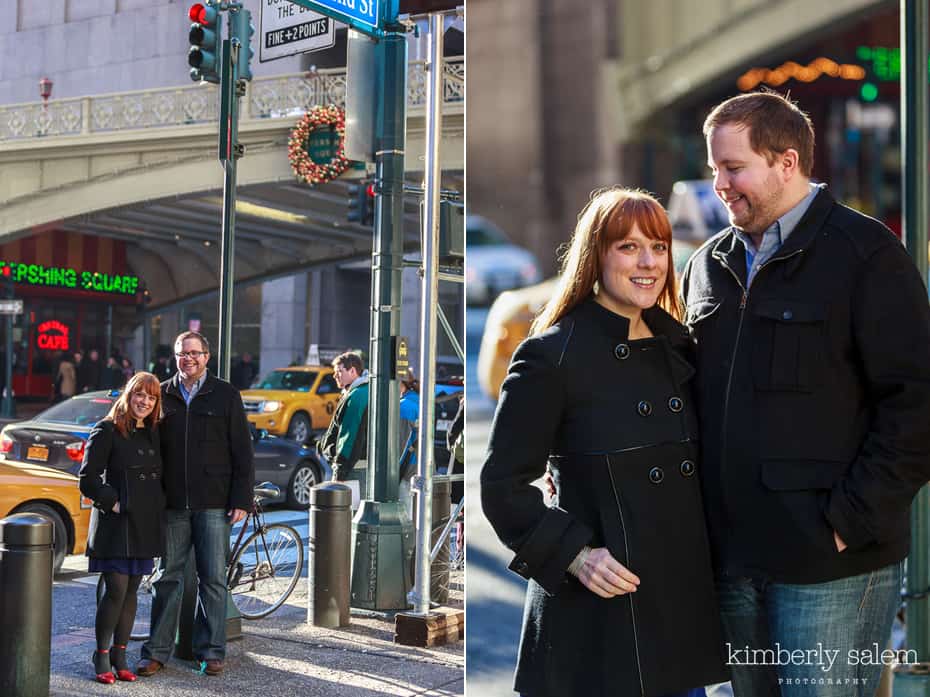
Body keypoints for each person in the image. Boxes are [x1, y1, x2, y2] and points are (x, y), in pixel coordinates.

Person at [681, 91, 930, 697]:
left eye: (733, 168)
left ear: (787, 162)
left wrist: (849, 521)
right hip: (730, 563)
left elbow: (917, 405)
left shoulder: (867, 256)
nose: (720, 185)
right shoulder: (706, 266)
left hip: (831, 566)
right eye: (715, 169)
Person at [481, 188, 728, 697]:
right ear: (597, 254)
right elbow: (502, 487)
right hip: (594, 630)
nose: (649, 262)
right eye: (629, 247)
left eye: (658, 247)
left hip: (676, 623)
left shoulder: (679, 347)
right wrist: (576, 555)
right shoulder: (551, 356)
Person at [137, 331, 254, 678]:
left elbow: (242, 452)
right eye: (181, 354)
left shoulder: (225, 394)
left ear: (207, 356)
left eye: (194, 353)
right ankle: (156, 652)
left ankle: (211, 652)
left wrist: (241, 499)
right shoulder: (163, 392)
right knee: (167, 578)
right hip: (172, 504)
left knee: (213, 579)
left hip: (214, 504)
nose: (187, 359)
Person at [79, 372, 165, 684]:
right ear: (129, 395)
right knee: (115, 589)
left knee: (131, 592)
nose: (145, 402)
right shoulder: (107, 429)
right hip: (115, 524)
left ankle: (121, 654)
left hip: (143, 523)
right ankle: (101, 654)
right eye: (140, 394)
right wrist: (113, 503)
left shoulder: (153, 432)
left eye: (152, 397)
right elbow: (88, 478)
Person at [319, 351, 369, 482]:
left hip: (353, 470)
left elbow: (349, 436)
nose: (335, 375)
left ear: (352, 371)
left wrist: (339, 471)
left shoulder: (357, 396)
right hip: (357, 467)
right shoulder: (359, 392)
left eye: (339, 371)